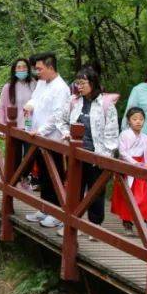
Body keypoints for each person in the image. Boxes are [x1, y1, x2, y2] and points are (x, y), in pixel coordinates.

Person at [49, 66, 118, 238]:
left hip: (97, 154)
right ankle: (73, 224)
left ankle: (95, 226)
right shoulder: (74, 102)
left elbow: (112, 131)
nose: (79, 86)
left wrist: (108, 155)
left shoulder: (106, 104)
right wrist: (66, 134)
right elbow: (60, 119)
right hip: (76, 154)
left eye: (83, 83)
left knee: (96, 191)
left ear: (93, 83)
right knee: (75, 190)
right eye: (77, 83)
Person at [24, 52, 72, 229]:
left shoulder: (62, 88)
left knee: (55, 174)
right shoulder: (42, 83)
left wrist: (41, 131)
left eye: (40, 69)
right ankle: (45, 207)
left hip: (52, 138)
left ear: (50, 67)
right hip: (37, 136)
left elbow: (58, 115)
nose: (37, 72)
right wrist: (30, 104)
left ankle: (57, 211)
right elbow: (35, 99)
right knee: (43, 173)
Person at [111, 107, 147, 235]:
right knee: (128, 197)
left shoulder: (146, 138)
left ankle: (143, 221)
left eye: (141, 119)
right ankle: (127, 223)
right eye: (135, 119)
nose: (138, 121)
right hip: (129, 168)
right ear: (129, 121)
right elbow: (123, 152)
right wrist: (135, 163)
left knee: (142, 198)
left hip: (141, 168)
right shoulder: (124, 135)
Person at [0, 57, 36, 129]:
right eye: (18, 67)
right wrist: (1, 127)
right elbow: (1, 108)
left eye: (24, 67)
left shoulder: (33, 84)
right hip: (13, 127)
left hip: (30, 126)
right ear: (14, 70)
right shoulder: (8, 87)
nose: (22, 69)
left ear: (28, 69)